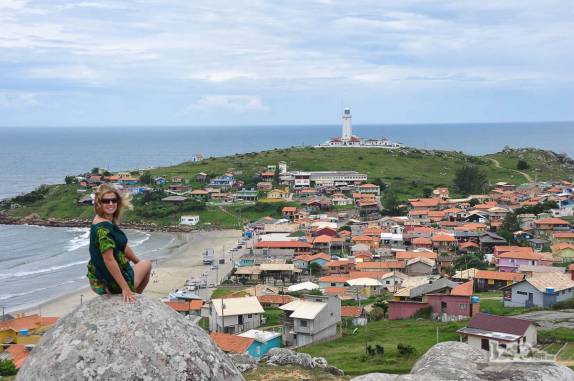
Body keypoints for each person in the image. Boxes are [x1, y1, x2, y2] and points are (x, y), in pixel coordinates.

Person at [87, 183, 152, 302]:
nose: (111, 204)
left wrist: (136, 261)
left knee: (141, 263)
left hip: (99, 279)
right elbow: (109, 260)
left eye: (113, 200)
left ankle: (131, 294)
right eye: (106, 201)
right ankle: (133, 296)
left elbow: (122, 245)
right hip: (112, 284)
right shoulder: (104, 228)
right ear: (99, 203)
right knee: (147, 264)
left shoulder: (99, 220)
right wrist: (125, 288)